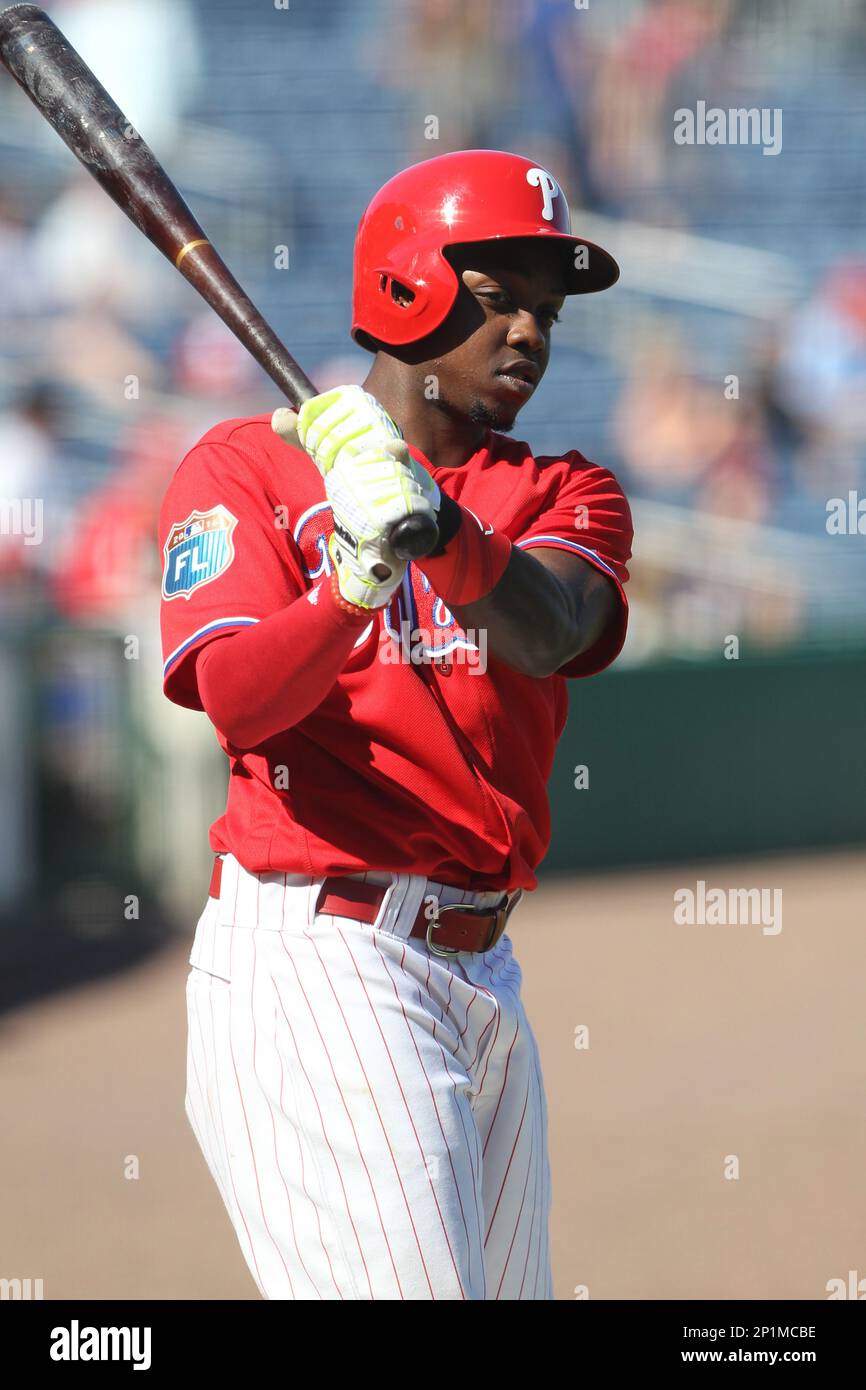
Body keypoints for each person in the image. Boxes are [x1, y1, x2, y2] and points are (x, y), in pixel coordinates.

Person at [158, 149, 633, 1301]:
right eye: (496, 299)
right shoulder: (248, 469)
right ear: (408, 286)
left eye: (544, 312)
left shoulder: (567, 490)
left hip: (483, 970)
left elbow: (548, 626)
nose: (528, 332)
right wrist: (353, 578)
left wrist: (438, 533)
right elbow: (237, 700)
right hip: (321, 953)